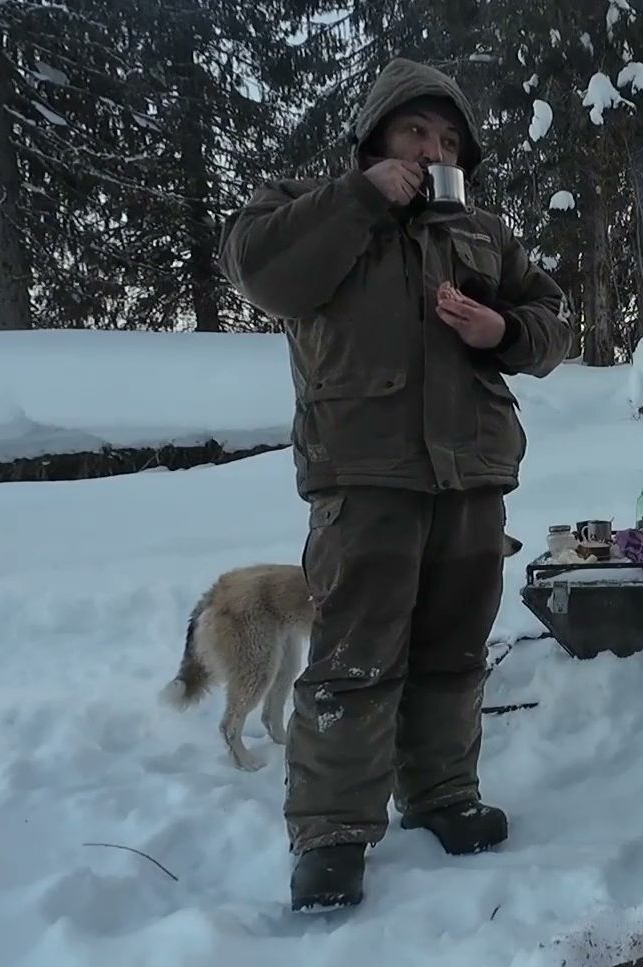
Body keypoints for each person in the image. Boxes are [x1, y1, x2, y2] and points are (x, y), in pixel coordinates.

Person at [219, 58, 574, 912]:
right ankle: (332, 833)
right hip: (364, 472)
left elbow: (554, 325)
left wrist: (503, 329)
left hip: (473, 472)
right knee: (353, 657)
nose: (433, 147)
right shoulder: (309, 209)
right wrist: (361, 197)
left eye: (448, 138)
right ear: (376, 134)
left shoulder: (481, 231)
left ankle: (443, 795)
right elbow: (260, 273)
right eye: (417, 130)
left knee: (455, 650)